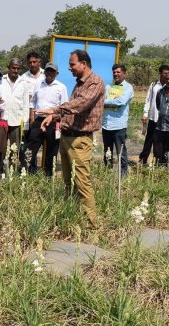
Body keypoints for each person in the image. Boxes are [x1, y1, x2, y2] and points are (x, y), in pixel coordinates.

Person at [40, 50, 105, 228]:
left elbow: (80, 104)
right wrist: (54, 116)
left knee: (82, 182)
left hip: (80, 141)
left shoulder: (95, 82)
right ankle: (72, 217)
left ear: (84, 64)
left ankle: (92, 224)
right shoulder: (79, 83)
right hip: (67, 138)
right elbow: (70, 110)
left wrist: (55, 110)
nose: (69, 68)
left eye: (72, 64)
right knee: (69, 182)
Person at [139, 65, 169, 165]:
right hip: (155, 119)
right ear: (160, 74)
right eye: (165, 75)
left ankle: (168, 165)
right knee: (151, 141)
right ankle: (144, 160)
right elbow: (150, 100)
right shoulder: (155, 86)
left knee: (168, 146)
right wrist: (145, 113)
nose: (168, 79)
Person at [27, 62, 68, 176]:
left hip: (54, 122)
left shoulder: (61, 87)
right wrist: (32, 119)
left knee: (52, 150)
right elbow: (32, 102)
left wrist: (56, 118)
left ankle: (48, 175)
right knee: (31, 149)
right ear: (44, 72)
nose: (50, 73)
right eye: (48, 71)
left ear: (56, 73)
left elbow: (64, 107)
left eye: (52, 71)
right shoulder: (38, 84)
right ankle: (28, 173)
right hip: (39, 120)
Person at [0, 58, 31, 170]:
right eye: (13, 67)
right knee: (1, 147)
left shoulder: (24, 83)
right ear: (9, 67)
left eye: (18, 68)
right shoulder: (1, 80)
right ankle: (0, 170)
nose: (15, 70)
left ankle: (11, 171)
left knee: (14, 148)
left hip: (17, 121)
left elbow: (26, 104)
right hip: (2, 119)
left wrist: (25, 124)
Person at [102, 63, 134, 176]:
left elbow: (121, 102)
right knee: (107, 151)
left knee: (121, 152)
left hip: (119, 126)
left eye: (118, 72)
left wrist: (106, 101)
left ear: (124, 74)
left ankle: (123, 175)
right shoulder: (108, 87)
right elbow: (102, 99)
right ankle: (107, 173)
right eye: (114, 72)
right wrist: (111, 100)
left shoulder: (128, 88)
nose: (116, 74)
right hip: (106, 124)